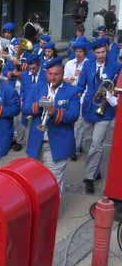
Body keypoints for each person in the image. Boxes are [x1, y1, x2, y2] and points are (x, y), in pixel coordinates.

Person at [23, 58, 80, 195]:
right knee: (35, 180)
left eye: (56, 74)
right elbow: (25, 108)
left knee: (53, 182)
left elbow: (74, 115)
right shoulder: (37, 88)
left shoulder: (71, 91)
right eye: (50, 74)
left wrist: (54, 112)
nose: (53, 77)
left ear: (62, 74)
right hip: (36, 141)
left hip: (58, 142)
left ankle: (51, 212)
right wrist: (39, 106)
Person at [76, 38, 119, 194]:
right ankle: (96, 169)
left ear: (107, 50)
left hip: (105, 110)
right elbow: (81, 84)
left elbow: (118, 87)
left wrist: (111, 93)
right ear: (93, 52)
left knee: (96, 143)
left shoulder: (116, 66)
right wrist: (75, 95)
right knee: (87, 142)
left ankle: (89, 178)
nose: (101, 55)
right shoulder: (88, 64)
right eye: (98, 52)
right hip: (88, 106)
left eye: (103, 52)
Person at [64, 41, 89, 159]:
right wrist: (68, 80)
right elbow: (64, 78)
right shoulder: (69, 63)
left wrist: (80, 77)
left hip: (82, 97)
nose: (78, 54)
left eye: (81, 52)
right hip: (70, 96)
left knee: (79, 124)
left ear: (85, 53)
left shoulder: (89, 64)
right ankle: (71, 145)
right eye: (76, 51)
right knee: (70, 122)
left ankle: (75, 148)